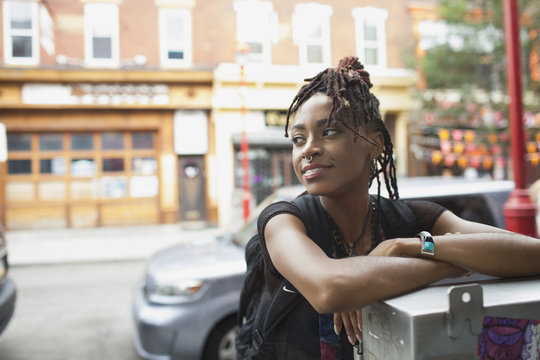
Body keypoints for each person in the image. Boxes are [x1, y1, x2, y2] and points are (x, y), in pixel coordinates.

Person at [251, 56, 540, 359]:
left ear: (374, 143)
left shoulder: (414, 218)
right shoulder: (283, 219)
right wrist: (457, 263)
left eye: (329, 132)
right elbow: (331, 289)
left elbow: (532, 254)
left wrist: (408, 246)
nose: (308, 149)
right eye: (298, 139)